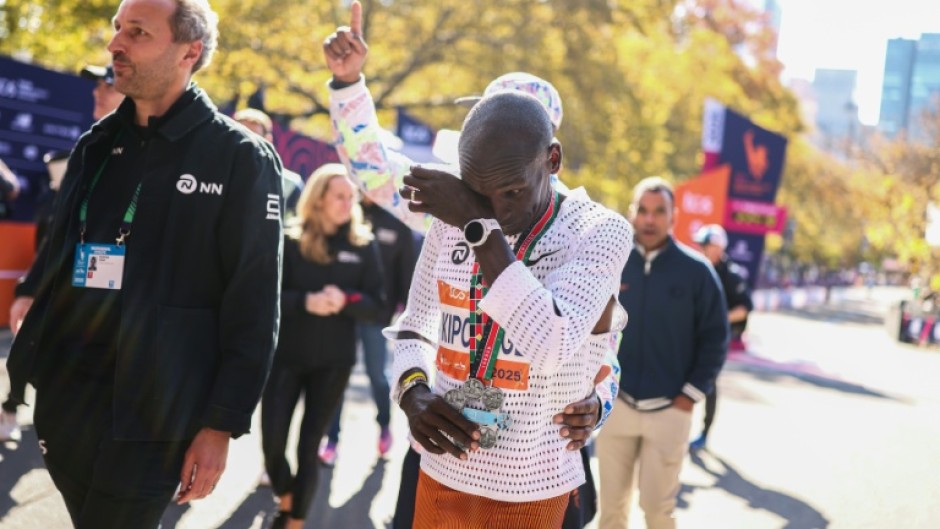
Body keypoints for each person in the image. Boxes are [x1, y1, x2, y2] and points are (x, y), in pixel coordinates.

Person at [323, 5, 622, 527]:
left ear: (548, 154)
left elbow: (605, 344)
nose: (493, 201)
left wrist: (600, 400)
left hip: (536, 463)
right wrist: (348, 87)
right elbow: (373, 174)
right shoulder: (456, 201)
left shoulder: (592, 229)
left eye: (509, 181)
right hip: (445, 453)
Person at [4, 1, 283, 527]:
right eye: (117, 29)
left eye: (138, 32)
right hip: (66, 405)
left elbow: (254, 303)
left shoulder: (240, 157)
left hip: (158, 421)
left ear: (189, 52)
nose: (116, 44)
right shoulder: (95, 144)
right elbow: (62, 254)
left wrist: (221, 424)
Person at [385, 90, 631, 527]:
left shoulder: (600, 231)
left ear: (552, 159)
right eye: (480, 193)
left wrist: (479, 228)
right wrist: (411, 392)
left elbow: (554, 344)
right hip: (441, 469)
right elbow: (414, 329)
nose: (499, 208)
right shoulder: (454, 217)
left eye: (512, 191)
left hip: (533, 484)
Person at [3, 64, 127, 444]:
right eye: (97, 85)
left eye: (107, 84)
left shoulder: (159, 151)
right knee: (29, 350)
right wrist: (28, 286)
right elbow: (62, 230)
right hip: (70, 278)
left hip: (119, 302)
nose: (97, 92)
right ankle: (13, 407)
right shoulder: (89, 146)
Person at [597, 177, 728, 529]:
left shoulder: (697, 271)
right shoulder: (612, 263)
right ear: (631, 213)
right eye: (643, 210)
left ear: (674, 217)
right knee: (610, 512)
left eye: (659, 211)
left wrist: (690, 394)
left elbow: (716, 337)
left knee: (657, 511)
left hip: (671, 410)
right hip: (615, 406)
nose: (650, 219)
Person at [261, 163, 386, 529]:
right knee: (271, 443)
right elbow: (267, 295)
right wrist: (305, 302)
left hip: (333, 364)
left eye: (351, 196)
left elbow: (379, 305)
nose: (348, 202)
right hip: (286, 358)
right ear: (318, 199)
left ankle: (294, 520)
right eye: (339, 196)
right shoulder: (291, 239)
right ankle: (286, 499)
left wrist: (346, 299)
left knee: (309, 447)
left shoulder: (362, 245)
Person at [320, 194, 418, 465]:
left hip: (377, 317)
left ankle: (385, 428)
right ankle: (332, 439)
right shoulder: (346, 214)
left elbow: (408, 275)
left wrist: (400, 317)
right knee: (337, 376)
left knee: (377, 376)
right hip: (342, 314)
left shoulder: (398, 221)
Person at [688, 224, 753, 451]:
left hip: (714, 340)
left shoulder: (732, 276)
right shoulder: (695, 269)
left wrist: (718, 318)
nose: (701, 248)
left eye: (705, 244)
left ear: (717, 247)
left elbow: (744, 308)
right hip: (691, 336)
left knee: (709, 383)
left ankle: (704, 433)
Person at [233, 107, 305, 219]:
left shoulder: (290, 185)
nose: (246, 144)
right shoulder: (215, 175)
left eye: (254, 138)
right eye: (240, 135)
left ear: (268, 140)